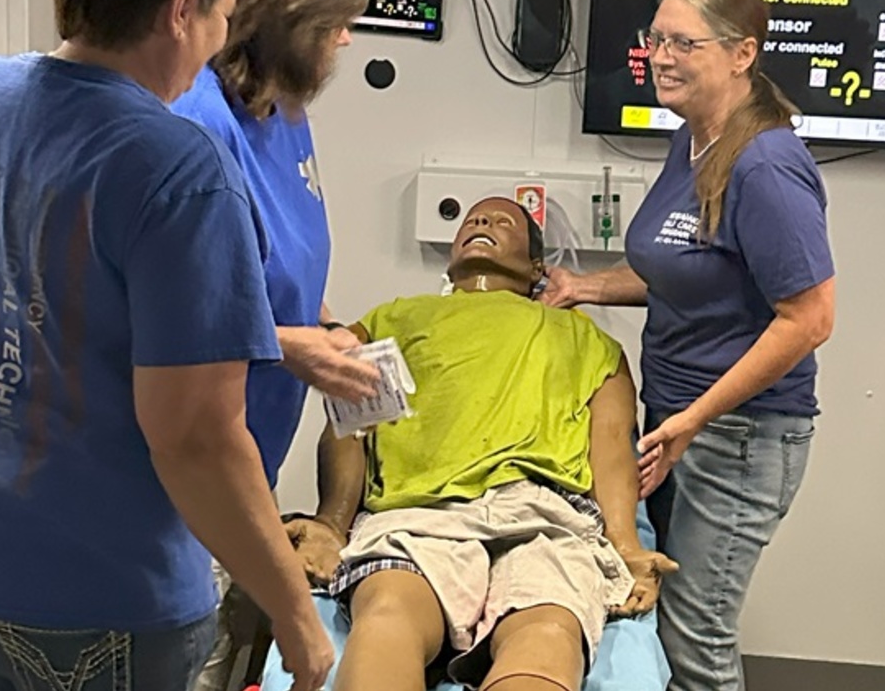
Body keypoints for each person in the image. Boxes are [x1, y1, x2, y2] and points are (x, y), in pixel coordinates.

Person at [0, 0, 332, 690]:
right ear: (183, 10)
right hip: (94, 599)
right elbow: (196, 440)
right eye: (221, 17)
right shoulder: (178, 168)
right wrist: (296, 617)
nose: (218, 42)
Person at [539, 0, 836, 691]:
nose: (661, 57)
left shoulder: (765, 165)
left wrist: (694, 419)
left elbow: (810, 318)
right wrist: (584, 286)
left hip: (738, 438)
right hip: (678, 425)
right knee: (663, 630)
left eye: (684, 43)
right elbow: (686, 269)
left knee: (696, 643)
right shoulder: (694, 139)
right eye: (656, 39)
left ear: (742, 54)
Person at [284, 197, 679, 691]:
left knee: (547, 632)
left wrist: (624, 543)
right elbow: (351, 425)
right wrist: (331, 523)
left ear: (537, 267)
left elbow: (614, 446)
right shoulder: (394, 320)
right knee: (387, 614)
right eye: (472, 219)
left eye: (502, 221)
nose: (482, 222)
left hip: (546, 515)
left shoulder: (586, 340)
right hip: (420, 511)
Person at [168, 0, 378, 686]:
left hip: (251, 439)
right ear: (286, 23)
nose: (346, 41)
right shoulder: (197, 127)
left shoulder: (283, 110)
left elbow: (269, 255)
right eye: (335, 25)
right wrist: (295, 349)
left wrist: (318, 321)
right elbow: (180, 312)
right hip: (186, 460)